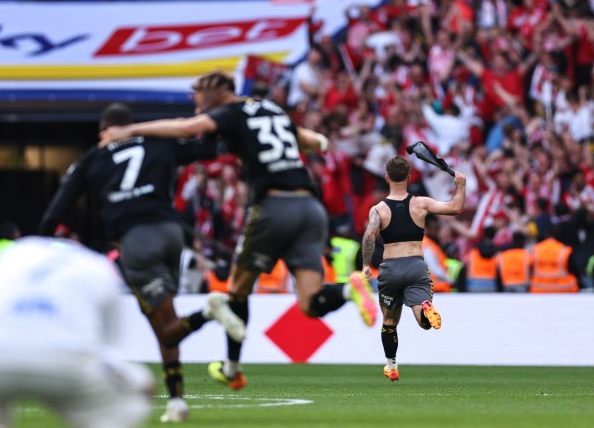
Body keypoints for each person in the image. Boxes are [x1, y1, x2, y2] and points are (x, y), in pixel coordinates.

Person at [98, 71, 378, 390]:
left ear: (219, 91)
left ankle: (232, 367)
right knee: (310, 303)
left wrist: (130, 130)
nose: (196, 101)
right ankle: (348, 289)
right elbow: (309, 139)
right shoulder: (272, 108)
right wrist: (319, 142)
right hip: (310, 209)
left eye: (199, 93)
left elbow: (183, 128)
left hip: (273, 208)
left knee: (237, 290)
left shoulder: (229, 112)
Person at [39, 102, 244, 423]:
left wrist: (39, 249)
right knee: (166, 322)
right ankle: (176, 401)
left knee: (166, 326)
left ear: (103, 131)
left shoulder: (92, 158)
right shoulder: (157, 141)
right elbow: (207, 148)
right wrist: (203, 114)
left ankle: (208, 311)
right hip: (171, 233)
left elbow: (55, 213)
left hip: (136, 242)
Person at [0, 237, 154, 428]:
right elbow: (109, 353)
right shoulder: (98, 267)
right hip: (69, 361)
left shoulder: (13, 256)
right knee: (138, 389)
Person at [361, 156, 466, 382]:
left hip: (390, 268)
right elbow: (455, 208)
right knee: (422, 320)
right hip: (416, 266)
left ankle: (392, 366)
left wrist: (366, 265)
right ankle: (425, 308)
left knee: (390, 321)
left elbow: (370, 235)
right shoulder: (421, 203)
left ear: (387, 178)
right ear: (409, 177)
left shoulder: (378, 209)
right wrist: (461, 186)